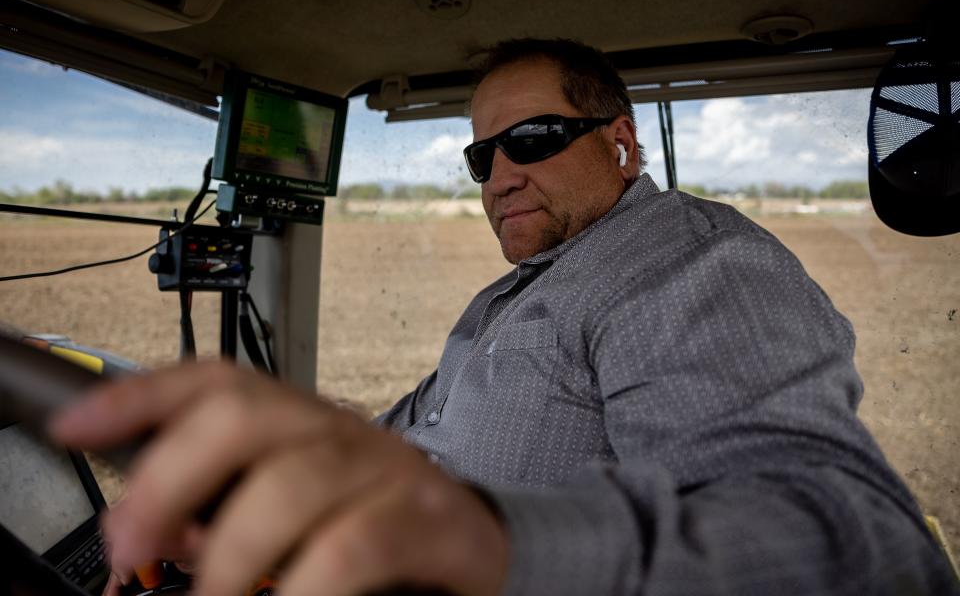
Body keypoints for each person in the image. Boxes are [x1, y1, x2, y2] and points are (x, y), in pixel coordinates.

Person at [50, 39, 957, 596]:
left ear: (621, 144)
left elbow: (855, 556)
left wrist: (471, 536)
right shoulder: (517, 292)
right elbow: (407, 438)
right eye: (481, 156)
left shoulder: (689, 262)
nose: (500, 176)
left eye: (531, 141)